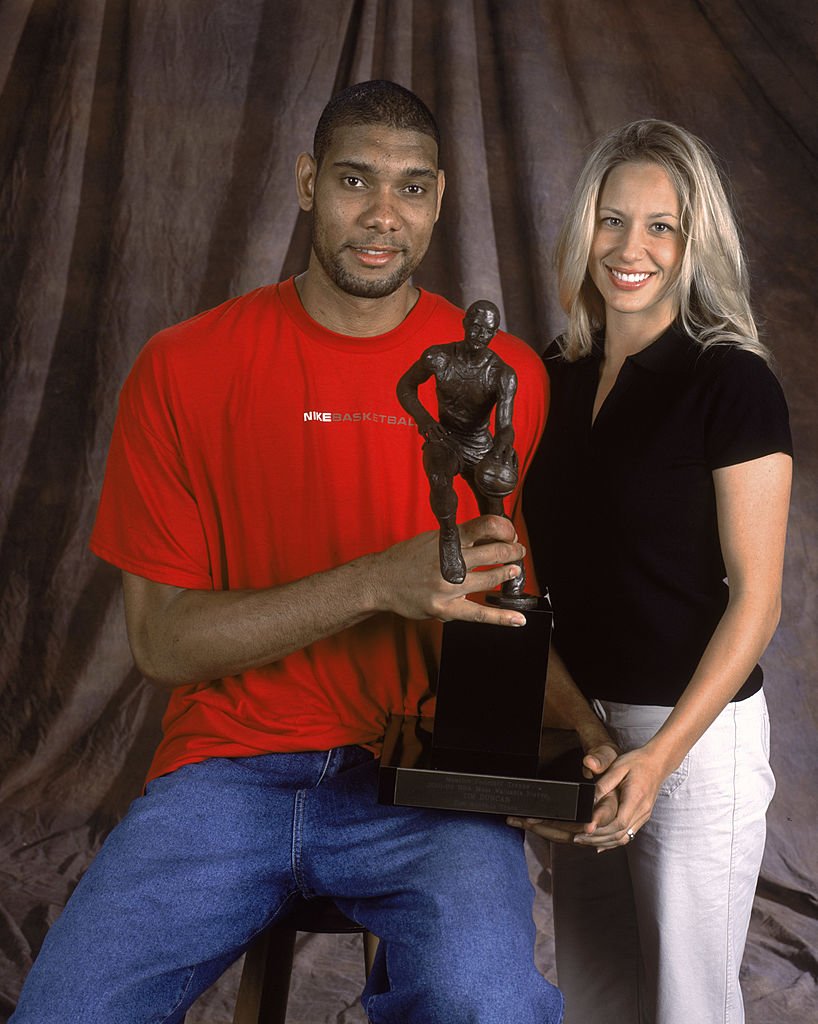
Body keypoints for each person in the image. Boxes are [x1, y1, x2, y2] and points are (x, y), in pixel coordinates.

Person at [10, 80, 614, 1024]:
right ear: (305, 183)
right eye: (354, 180)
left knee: (488, 1005)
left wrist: (587, 731)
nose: (383, 215)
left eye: (412, 189)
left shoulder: (509, 378)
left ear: (441, 199)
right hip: (225, 772)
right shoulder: (184, 366)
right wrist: (380, 582)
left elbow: (503, 596)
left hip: (422, 784)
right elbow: (162, 646)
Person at [517, 119, 793, 1024]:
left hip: (696, 737)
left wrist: (660, 757)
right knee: (596, 998)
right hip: (585, 733)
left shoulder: (732, 382)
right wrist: (579, 733)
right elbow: (531, 580)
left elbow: (757, 603)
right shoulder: (550, 374)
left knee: (687, 1007)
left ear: (693, 240)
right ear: (583, 229)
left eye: (660, 226)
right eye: (610, 219)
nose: (630, 248)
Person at [396, 298, 526, 594]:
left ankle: (514, 568)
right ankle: (449, 535)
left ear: (495, 334)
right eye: (476, 326)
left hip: (481, 445)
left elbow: (505, 425)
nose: (480, 335)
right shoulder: (438, 358)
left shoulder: (502, 374)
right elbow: (405, 386)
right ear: (465, 323)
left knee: (494, 513)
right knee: (439, 473)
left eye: (488, 331)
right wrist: (425, 422)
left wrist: (504, 446)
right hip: (447, 439)